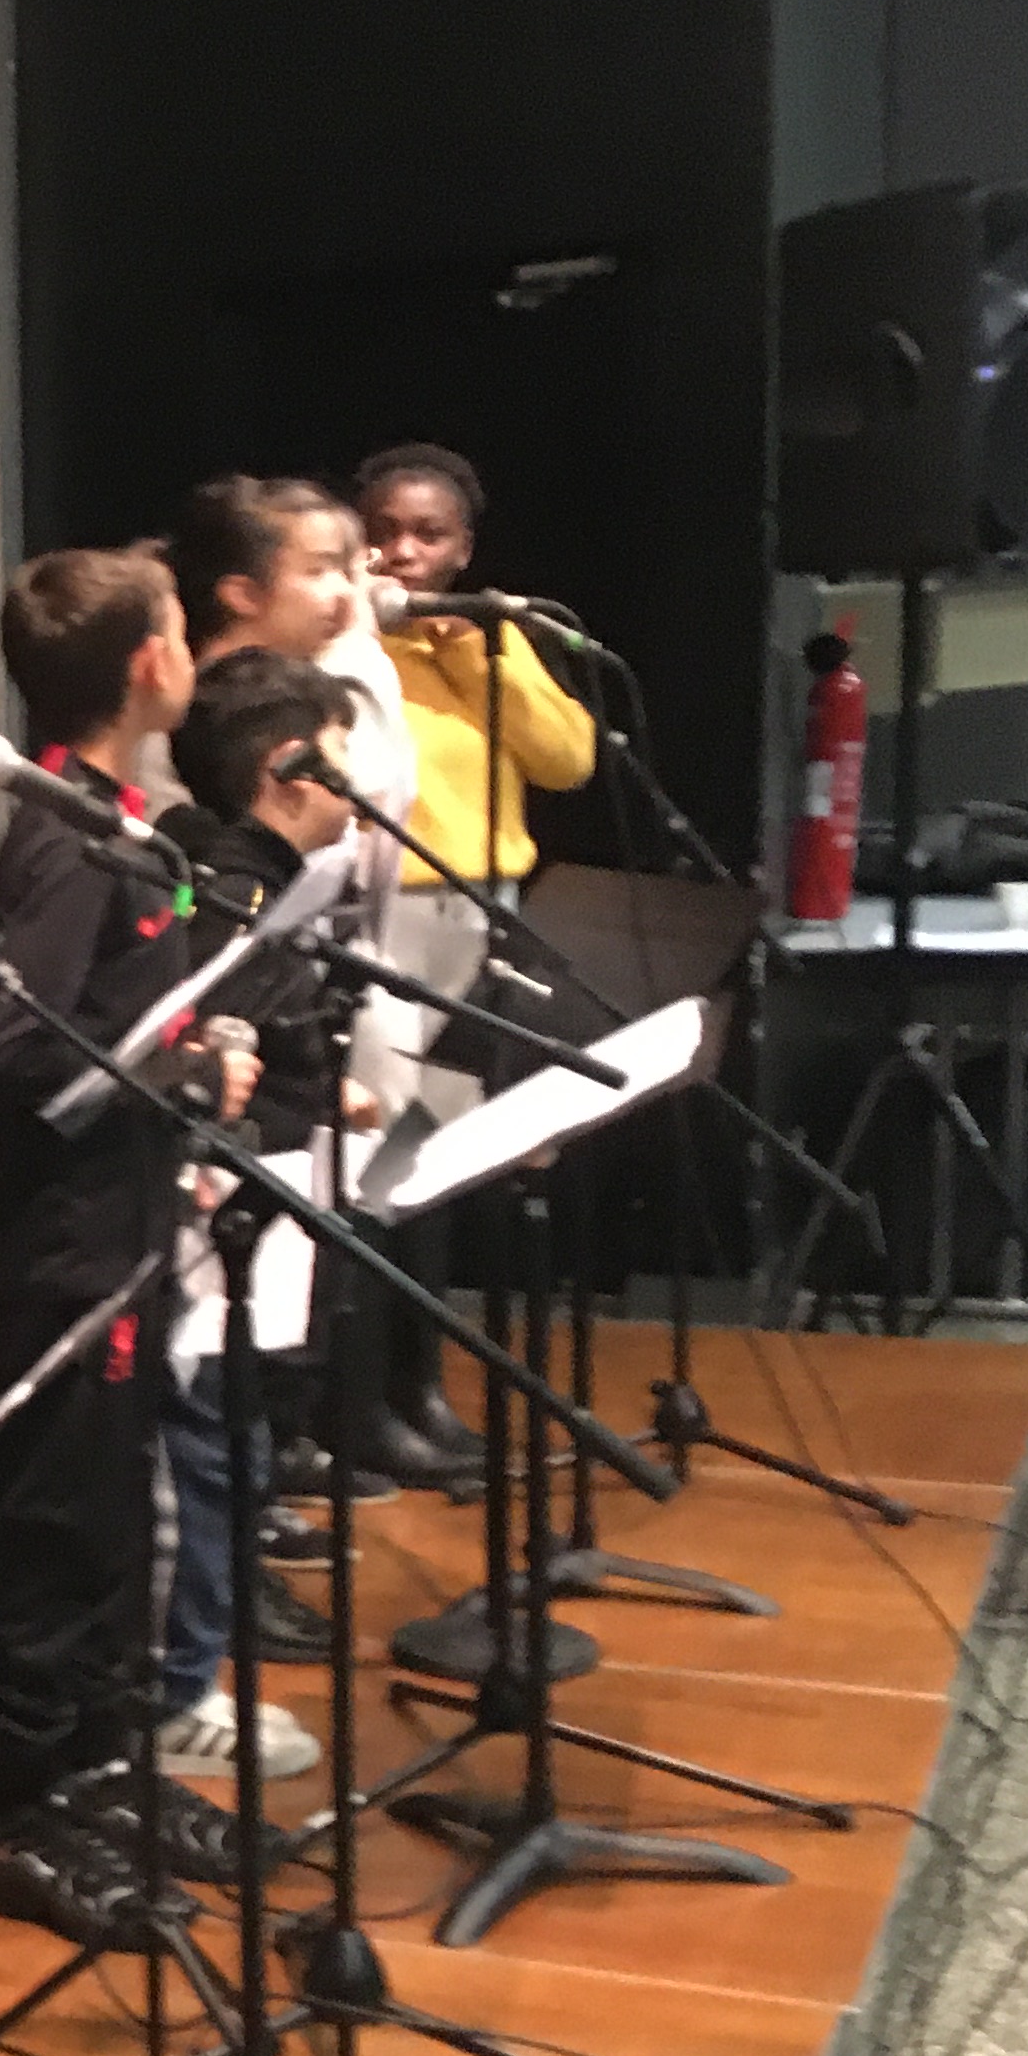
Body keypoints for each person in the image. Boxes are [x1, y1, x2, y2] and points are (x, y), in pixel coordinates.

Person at [0, 549, 266, 1947]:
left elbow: (116, 1010)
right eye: (181, 630)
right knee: (54, 1520)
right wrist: (187, 1074)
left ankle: (101, 1763)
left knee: (109, 1520)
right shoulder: (63, 836)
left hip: (128, 1224)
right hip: (68, 1247)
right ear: (150, 664)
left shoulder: (124, 819)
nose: (191, 652)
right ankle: (24, 1800)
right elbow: (19, 1044)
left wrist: (197, 1047)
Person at [159, 474, 423, 1504]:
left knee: (304, 1285)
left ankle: (293, 1442)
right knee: (225, 1336)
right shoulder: (198, 741)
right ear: (239, 591)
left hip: (306, 1027)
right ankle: (241, 1491)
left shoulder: (324, 689)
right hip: (234, 1080)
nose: (345, 591)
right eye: (319, 569)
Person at [354, 442, 601, 1477]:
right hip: (385, 921)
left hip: (481, 918)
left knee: (434, 1164)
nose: (404, 552)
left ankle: (423, 1388)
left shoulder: (488, 638)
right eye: (384, 531)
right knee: (373, 1169)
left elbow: (569, 759)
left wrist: (472, 654)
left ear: (464, 548)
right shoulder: (349, 644)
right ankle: (360, 1401)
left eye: (429, 534)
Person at [153, 651, 372, 1782]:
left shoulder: (271, 883)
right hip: (217, 1210)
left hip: (265, 1198)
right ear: (287, 771)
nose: (359, 782)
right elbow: (215, 1040)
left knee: (235, 1439)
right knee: (205, 1443)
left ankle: (195, 1678)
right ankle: (175, 1691)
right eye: (341, 757)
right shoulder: (227, 888)